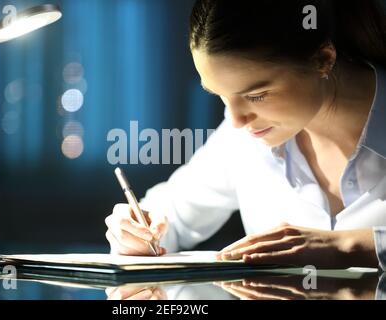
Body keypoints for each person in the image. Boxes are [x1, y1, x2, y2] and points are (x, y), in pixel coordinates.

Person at [105, 0, 386, 269]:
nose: (237, 121)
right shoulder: (245, 137)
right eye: (222, 97)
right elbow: (173, 215)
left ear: (323, 60)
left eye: (257, 95)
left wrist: (351, 246)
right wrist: (136, 230)